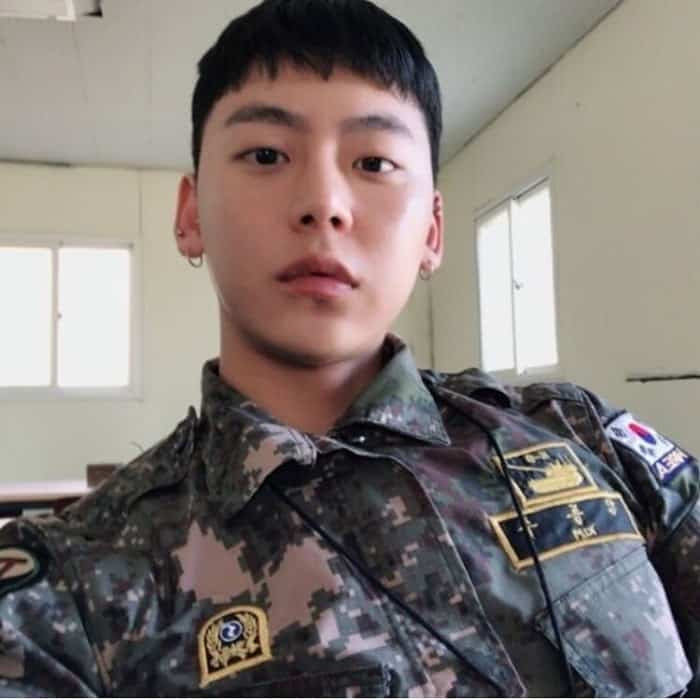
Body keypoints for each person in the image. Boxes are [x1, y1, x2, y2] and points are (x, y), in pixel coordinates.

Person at [1, 0, 698, 695]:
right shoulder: (77, 587)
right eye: (266, 155)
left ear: (431, 230)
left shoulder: (581, 438)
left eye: (374, 161)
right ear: (191, 216)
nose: (324, 203)